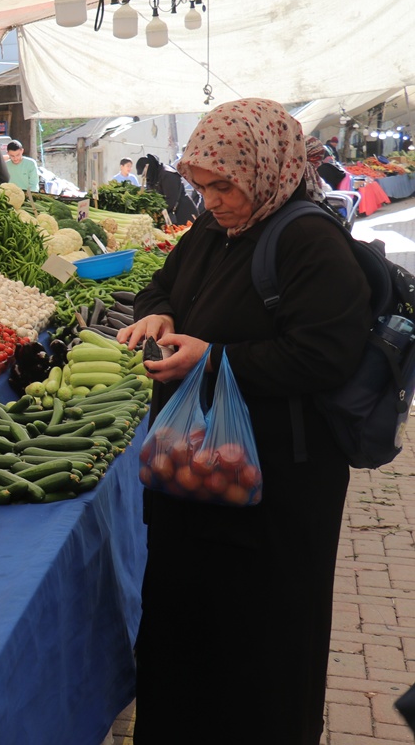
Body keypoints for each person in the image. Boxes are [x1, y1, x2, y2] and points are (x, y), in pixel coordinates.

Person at [117, 98, 372, 745]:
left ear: (265, 168)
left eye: (223, 186)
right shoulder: (213, 228)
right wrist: (158, 313)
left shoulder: (310, 241)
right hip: (194, 477)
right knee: (183, 635)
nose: (211, 201)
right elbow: (162, 285)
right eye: (201, 186)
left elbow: (325, 356)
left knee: (261, 650)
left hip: (277, 493)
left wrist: (215, 358)